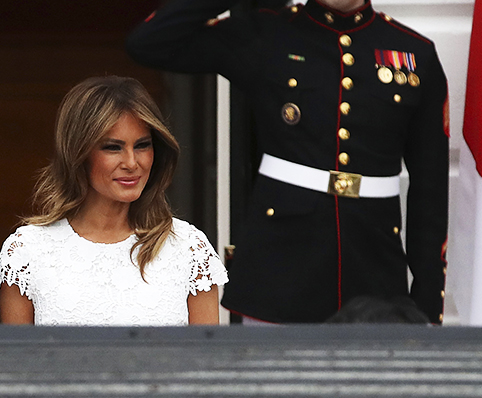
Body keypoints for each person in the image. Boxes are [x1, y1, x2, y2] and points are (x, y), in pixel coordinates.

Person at [126, 0, 448, 324]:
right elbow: (150, 43)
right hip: (280, 271)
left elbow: (430, 194)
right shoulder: (267, 33)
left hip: (375, 271)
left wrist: (426, 308)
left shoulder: (414, 53)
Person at [0, 76, 227, 326]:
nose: (131, 163)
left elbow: (205, 361)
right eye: (113, 148)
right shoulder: (27, 252)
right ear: (79, 153)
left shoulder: (189, 248)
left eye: (142, 146)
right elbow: (19, 362)